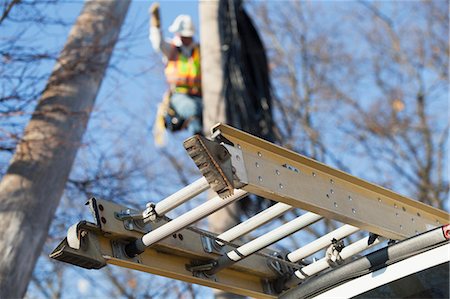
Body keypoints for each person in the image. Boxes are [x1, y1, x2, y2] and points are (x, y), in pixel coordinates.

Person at [149, 3, 203, 138]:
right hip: (180, 94)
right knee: (192, 110)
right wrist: (156, 26)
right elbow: (158, 43)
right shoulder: (172, 49)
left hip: (201, 95)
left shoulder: (199, 50)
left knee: (213, 116)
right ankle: (199, 142)